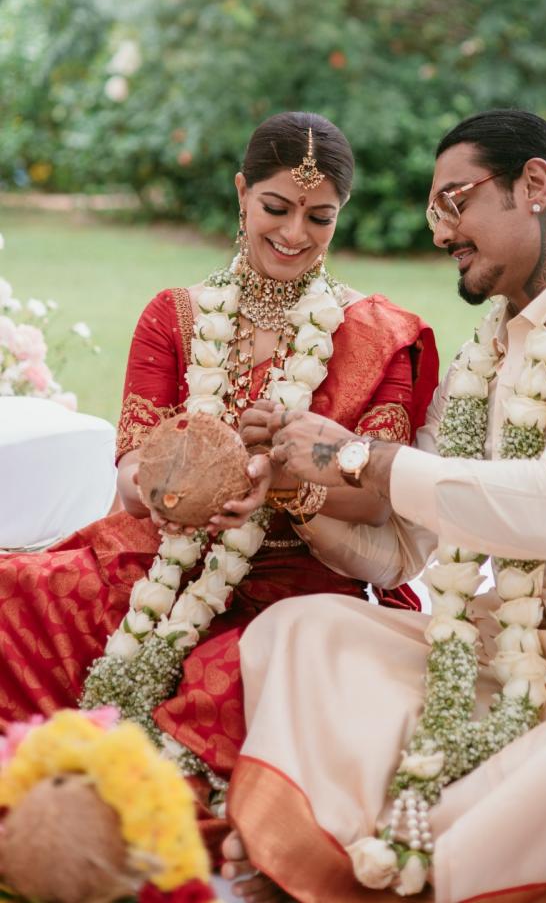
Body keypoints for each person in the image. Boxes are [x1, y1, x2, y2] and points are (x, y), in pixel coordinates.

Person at [220, 109, 546, 902]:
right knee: (304, 627)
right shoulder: (486, 355)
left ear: (533, 184)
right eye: (433, 211)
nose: (441, 232)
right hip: (496, 649)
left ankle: (415, 863)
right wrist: (289, 486)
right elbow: (400, 552)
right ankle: (335, 845)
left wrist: (353, 455)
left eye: (455, 201)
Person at [0, 111, 438, 855]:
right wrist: (184, 485)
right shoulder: (175, 316)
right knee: (17, 595)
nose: (294, 233)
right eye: (276, 207)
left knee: (225, 690)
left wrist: (287, 478)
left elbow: (375, 496)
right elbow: (131, 473)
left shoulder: (378, 336)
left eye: (319, 217)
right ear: (241, 193)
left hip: (296, 583)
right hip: (156, 559)